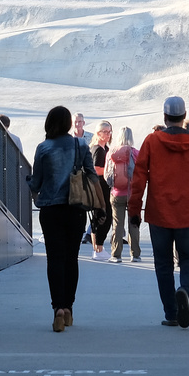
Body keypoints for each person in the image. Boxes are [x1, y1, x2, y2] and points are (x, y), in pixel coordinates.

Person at [128, 96, 189, 328]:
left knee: (163, 263)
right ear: (184, 115)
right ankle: (185, 291)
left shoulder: (152, 141)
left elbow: (139, 178)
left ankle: (171, 313)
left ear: (165, 116)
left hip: (159, 212)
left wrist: (134, 211)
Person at [27, 105, 91, 332]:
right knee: (72, 258)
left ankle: (58, 309)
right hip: (76, 209)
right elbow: (91, 175)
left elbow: (36, 182)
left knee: (54, 258)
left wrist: (30, 183)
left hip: (51, 210)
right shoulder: (81, 145)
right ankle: (70, 308)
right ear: (68, 124)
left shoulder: (43, 148)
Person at [104, 127, 139, 261]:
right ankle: (135, 254)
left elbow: (107, 174)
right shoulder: (135, 152)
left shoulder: (111, 153)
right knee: (133, 223)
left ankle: (116, 254)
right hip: (132, 193)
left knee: (117, 224)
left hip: (116, 193)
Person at [88, 121, 114, 260]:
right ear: (98, 133)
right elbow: (96, 169)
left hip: (99, 187)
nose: (108, 134)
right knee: (104, 216)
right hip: (101, 187)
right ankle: (99, 248)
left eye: (109, 131)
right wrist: (111, 171)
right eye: (105, 131)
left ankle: (97, 249)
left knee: (98, 217)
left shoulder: (100, 148)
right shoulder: (98, 149)